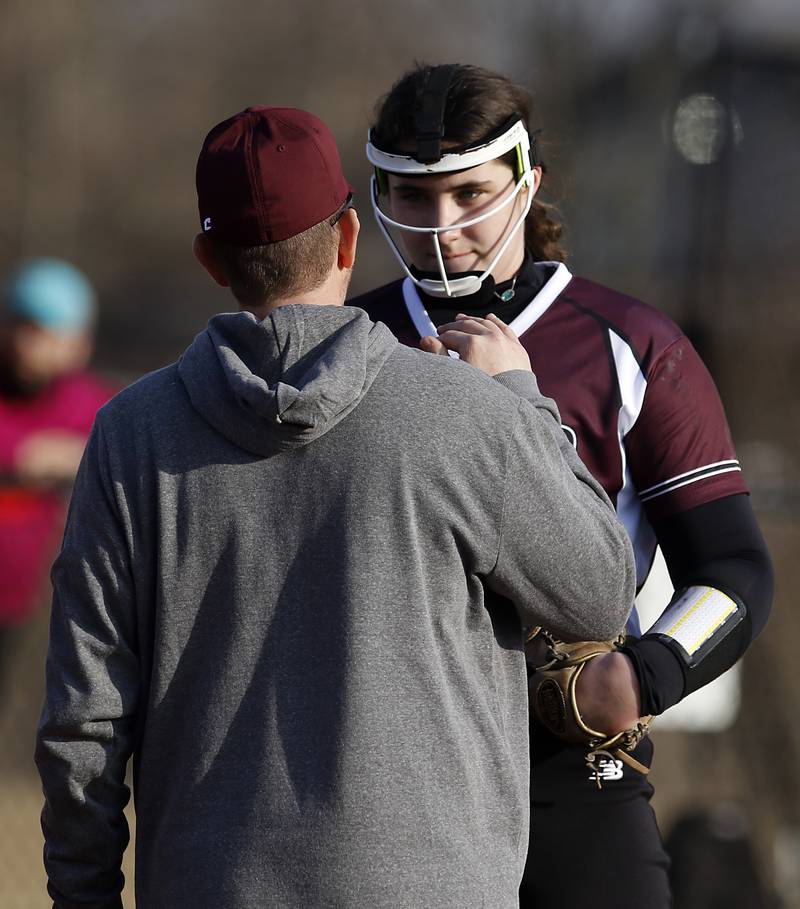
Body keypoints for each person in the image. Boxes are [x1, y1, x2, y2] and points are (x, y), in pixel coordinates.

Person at [34, 105, 635, 909]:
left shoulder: (129, 434)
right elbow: (599, 588)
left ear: (210, 258)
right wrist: (521, 398)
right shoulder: (465, 413)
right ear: (350, 237)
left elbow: (85, 718)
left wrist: (84, 894)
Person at [348, 63, 774, 908]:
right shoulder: (350, 340)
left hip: (568, 762)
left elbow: (732, 572)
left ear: (527, 182)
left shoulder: (634, 345)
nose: (442, 228)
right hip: (384, 768)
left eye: (469, 193)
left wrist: (643, 672)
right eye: (411, 195)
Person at [0, 259, 114, 687]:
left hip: (27, 605)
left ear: (78, 344)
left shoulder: (88, 406)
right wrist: (24, 455)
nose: (29, 344)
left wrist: (73, 456)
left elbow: (128, 444)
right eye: (22, 326)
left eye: (46, 333)